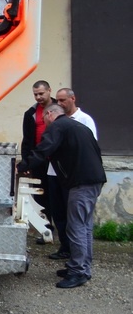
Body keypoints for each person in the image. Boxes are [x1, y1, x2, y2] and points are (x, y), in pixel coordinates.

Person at [17, 103, 106, 288]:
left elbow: (43, 149)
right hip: (94, 180)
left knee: (76, 227)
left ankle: (78, 272)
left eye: (44, 119)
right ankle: (82, 267)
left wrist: (22, 166)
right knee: (85, 226)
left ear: (50, 114)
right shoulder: (77, 126)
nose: (44, 123)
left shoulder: (58, 126)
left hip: (81, 183)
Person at [44, 87, 99, 260]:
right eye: (57, 101)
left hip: (73, 177)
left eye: (63, 100)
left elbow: (89, 148)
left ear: (73, 99)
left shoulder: (84, 120)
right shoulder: (56, 122)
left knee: (75, 219)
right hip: (54, 173)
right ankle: (65, 247)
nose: (60, 103)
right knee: (58, 213)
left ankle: (78, 258)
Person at [21, 80, 55, 243]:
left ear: (49, 91)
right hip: (39, 160)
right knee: (41, 197)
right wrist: (27, 162)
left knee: (57, 196)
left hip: (56, 160)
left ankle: (65, 232)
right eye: (36, 94)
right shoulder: (31, 113)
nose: (39, 97)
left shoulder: (59, 109)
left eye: (41, 93)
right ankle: (47, 229)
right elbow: (27, 140)